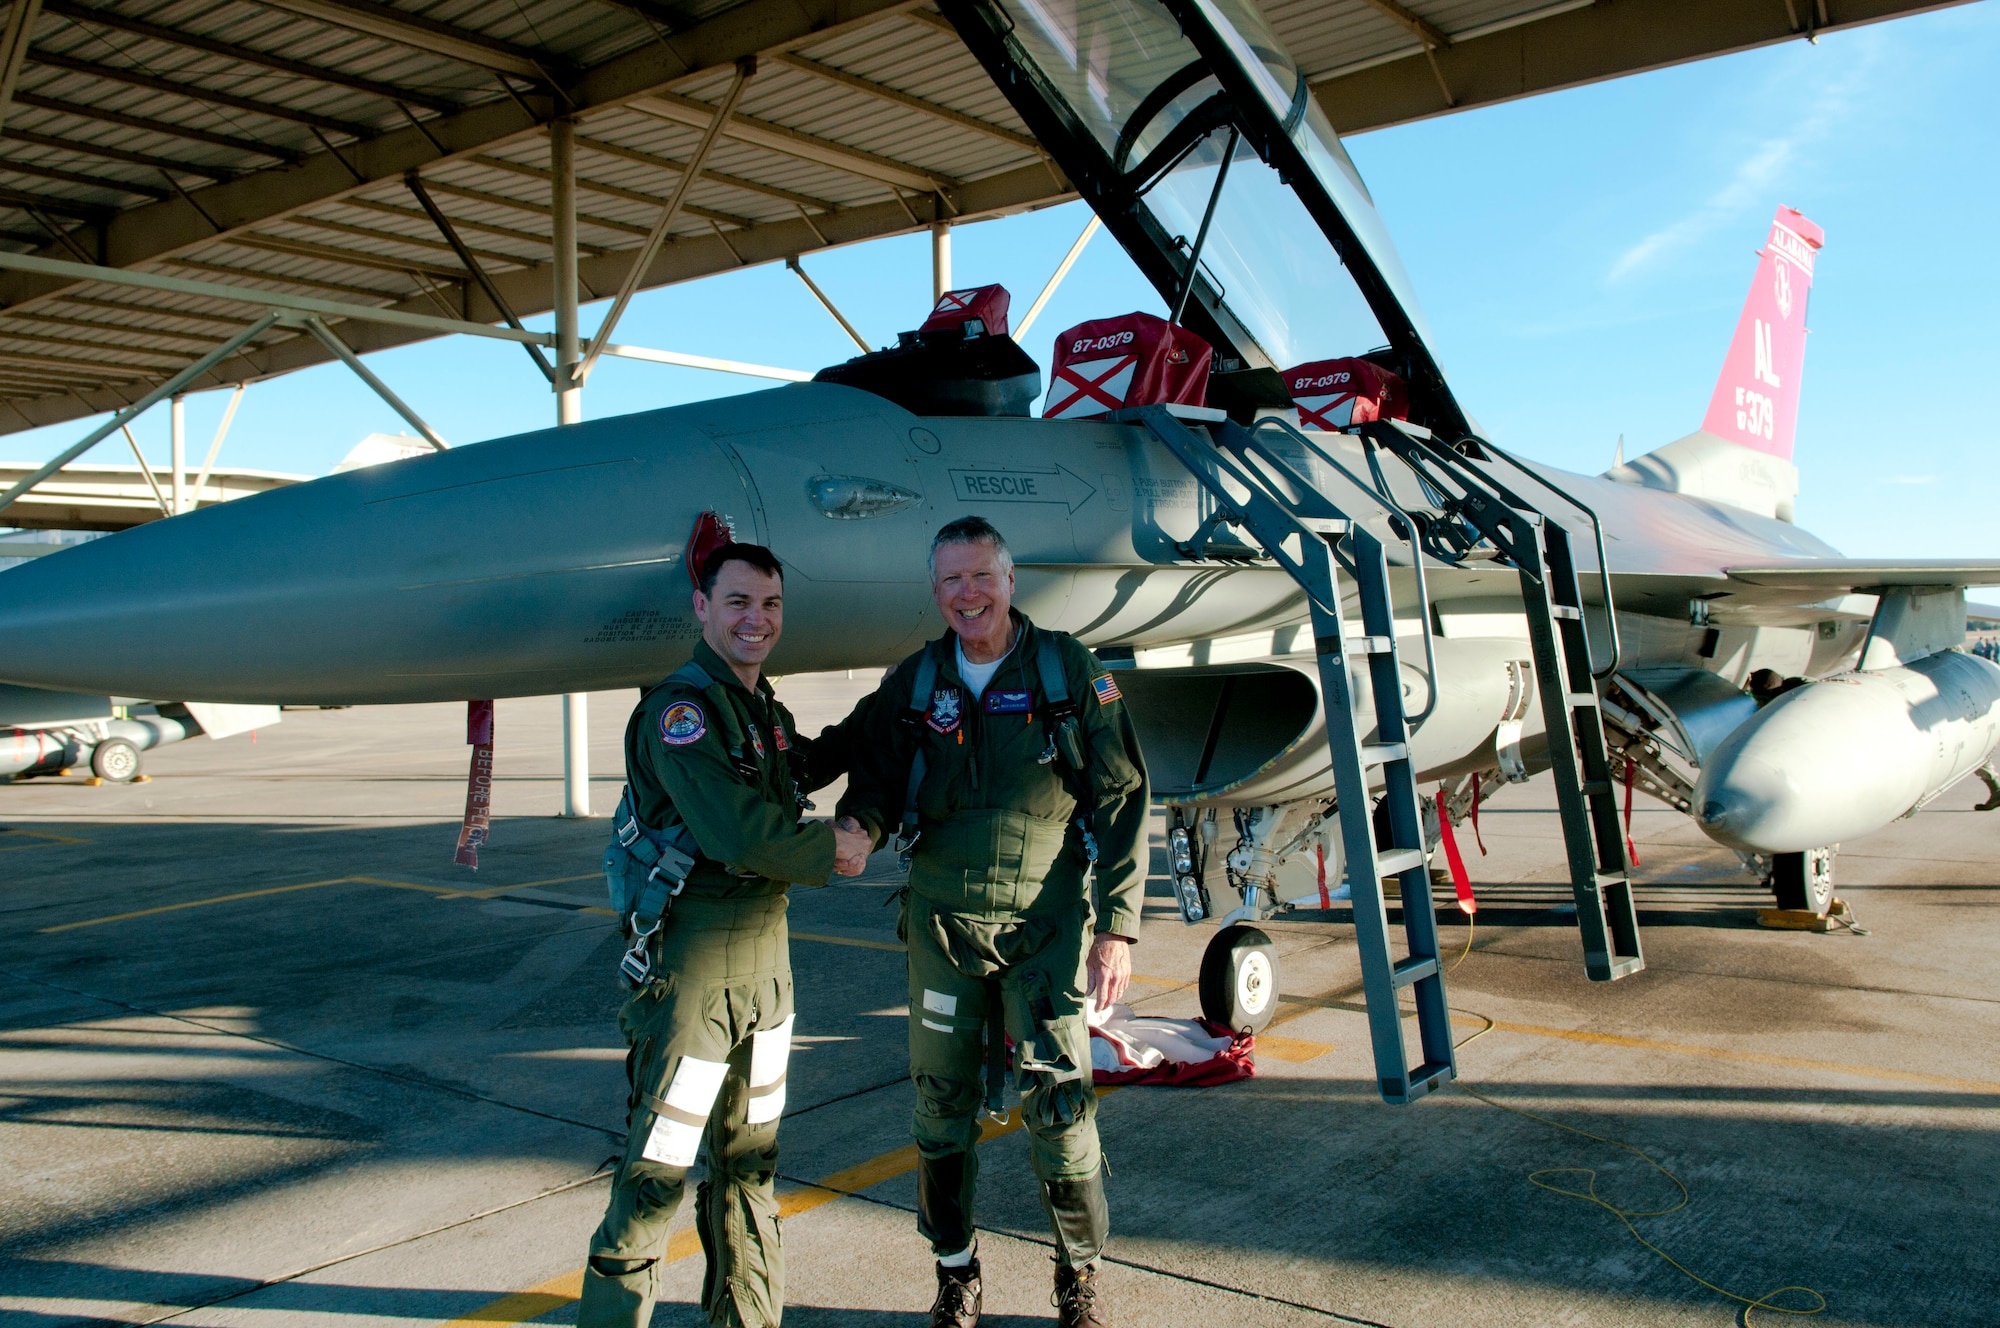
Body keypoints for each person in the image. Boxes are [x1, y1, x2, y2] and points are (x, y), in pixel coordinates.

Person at [835, 516, 1149, 1328]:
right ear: (934, 591)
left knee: (1060, 1103)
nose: (967, 595)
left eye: (982, 577)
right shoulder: (915, 681)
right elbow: (866, 768)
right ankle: (954, 1271)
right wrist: (860, 828)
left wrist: (1117, 925)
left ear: (1010, 581)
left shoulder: (1064, 670)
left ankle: (1079, 1277)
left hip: (1044, 924)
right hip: (942, 924)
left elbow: (1119, 796)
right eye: (951, 582)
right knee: (940, 1103)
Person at [580, 542, 872, 1328]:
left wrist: (889, 709)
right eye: (738, 602)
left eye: (770, 604)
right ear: (703, 607)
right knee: (657, 1175)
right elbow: (737, 833)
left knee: (751, 1168)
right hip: (695, 971)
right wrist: (834, 851)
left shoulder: (758, 709)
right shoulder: (681, 711)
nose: (757, 619)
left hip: (766, 970)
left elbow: (796, 766)